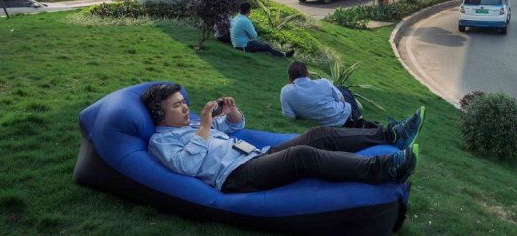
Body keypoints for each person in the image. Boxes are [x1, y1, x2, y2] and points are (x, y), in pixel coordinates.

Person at [140, 83, 424, 193]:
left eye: (183, 101)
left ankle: (392, 134)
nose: (185, 107)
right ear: (158, 113)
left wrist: (232, 112)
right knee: (302, 156)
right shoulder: (161, 142)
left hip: (254, 155)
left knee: (319, 134)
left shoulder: (193, 125)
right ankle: (385, 168)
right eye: (177, 105)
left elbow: (235, 127)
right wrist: (203, 127)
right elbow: (187, 166)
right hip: (234, 176)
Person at [280, 60, 381, 129]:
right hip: (342, 116)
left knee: (341, 91)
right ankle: (361, 121)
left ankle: (362, 122)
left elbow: (290, 116)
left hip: (324, 120)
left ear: (290, 79)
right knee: (343, 89)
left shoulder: (286, 92)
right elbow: (341, 99)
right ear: (308, 74)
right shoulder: (323, 82)